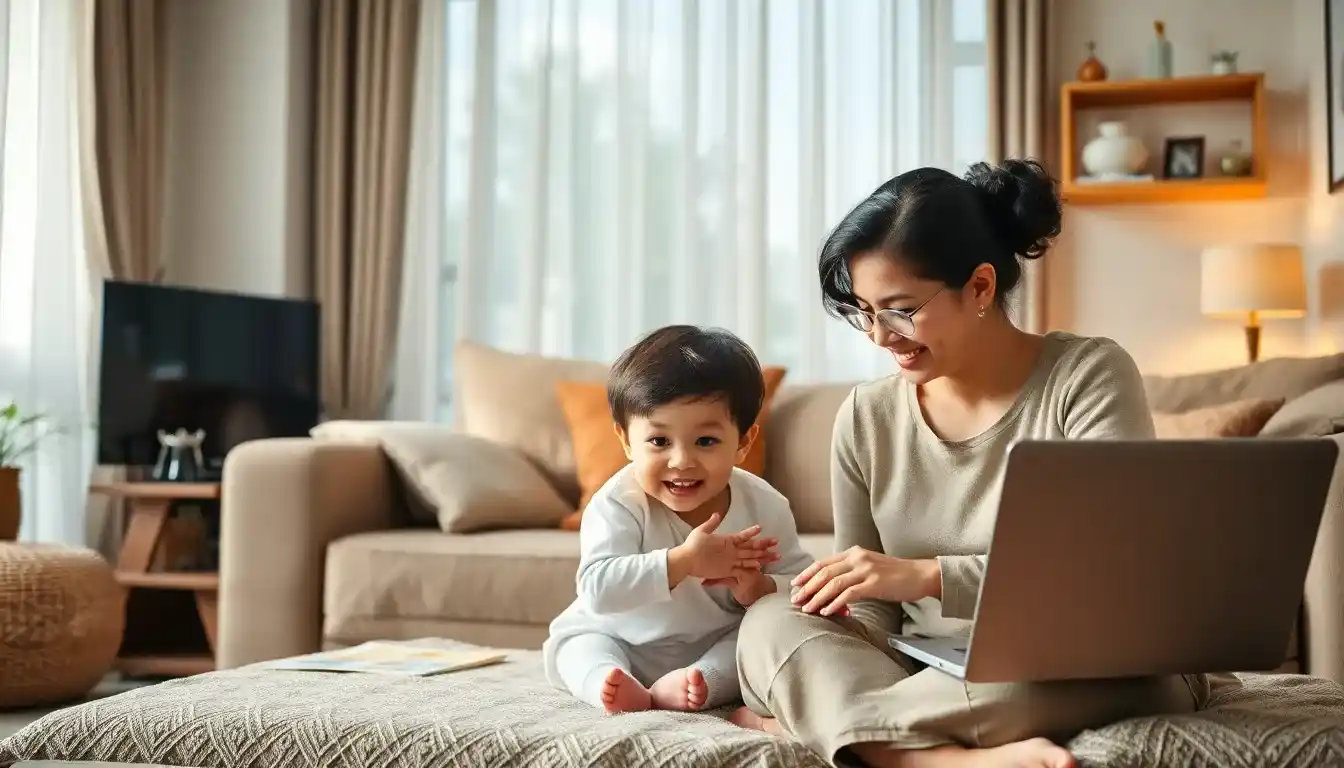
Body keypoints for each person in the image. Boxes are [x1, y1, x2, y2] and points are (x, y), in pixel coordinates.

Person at [729, 159, 1210, 768]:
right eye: (864, 311)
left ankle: (828, 727)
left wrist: (927, 576)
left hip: (1084, 656)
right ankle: (926, 759)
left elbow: (1107, 576)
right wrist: (834, 617)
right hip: (929, 662)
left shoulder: (1088, 377)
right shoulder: (866, 415)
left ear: (980, 287)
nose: (880, 336)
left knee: (1021, 678)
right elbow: (874, 607)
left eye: (901, 309)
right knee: (771, 623)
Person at [543, 325, 814, 714]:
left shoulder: (765, 505)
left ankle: (699, 680)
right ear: (625, 441)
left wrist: (760, 586)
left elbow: (800, 588)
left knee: (760, 641)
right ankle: (607, 680)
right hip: (617, 636)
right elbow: (598, 589)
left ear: (743, 443)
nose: (681, 461)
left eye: (705, 441)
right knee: (577, 646)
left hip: (714, 641)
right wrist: (683, 561)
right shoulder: (617, 503)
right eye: (659, 441)